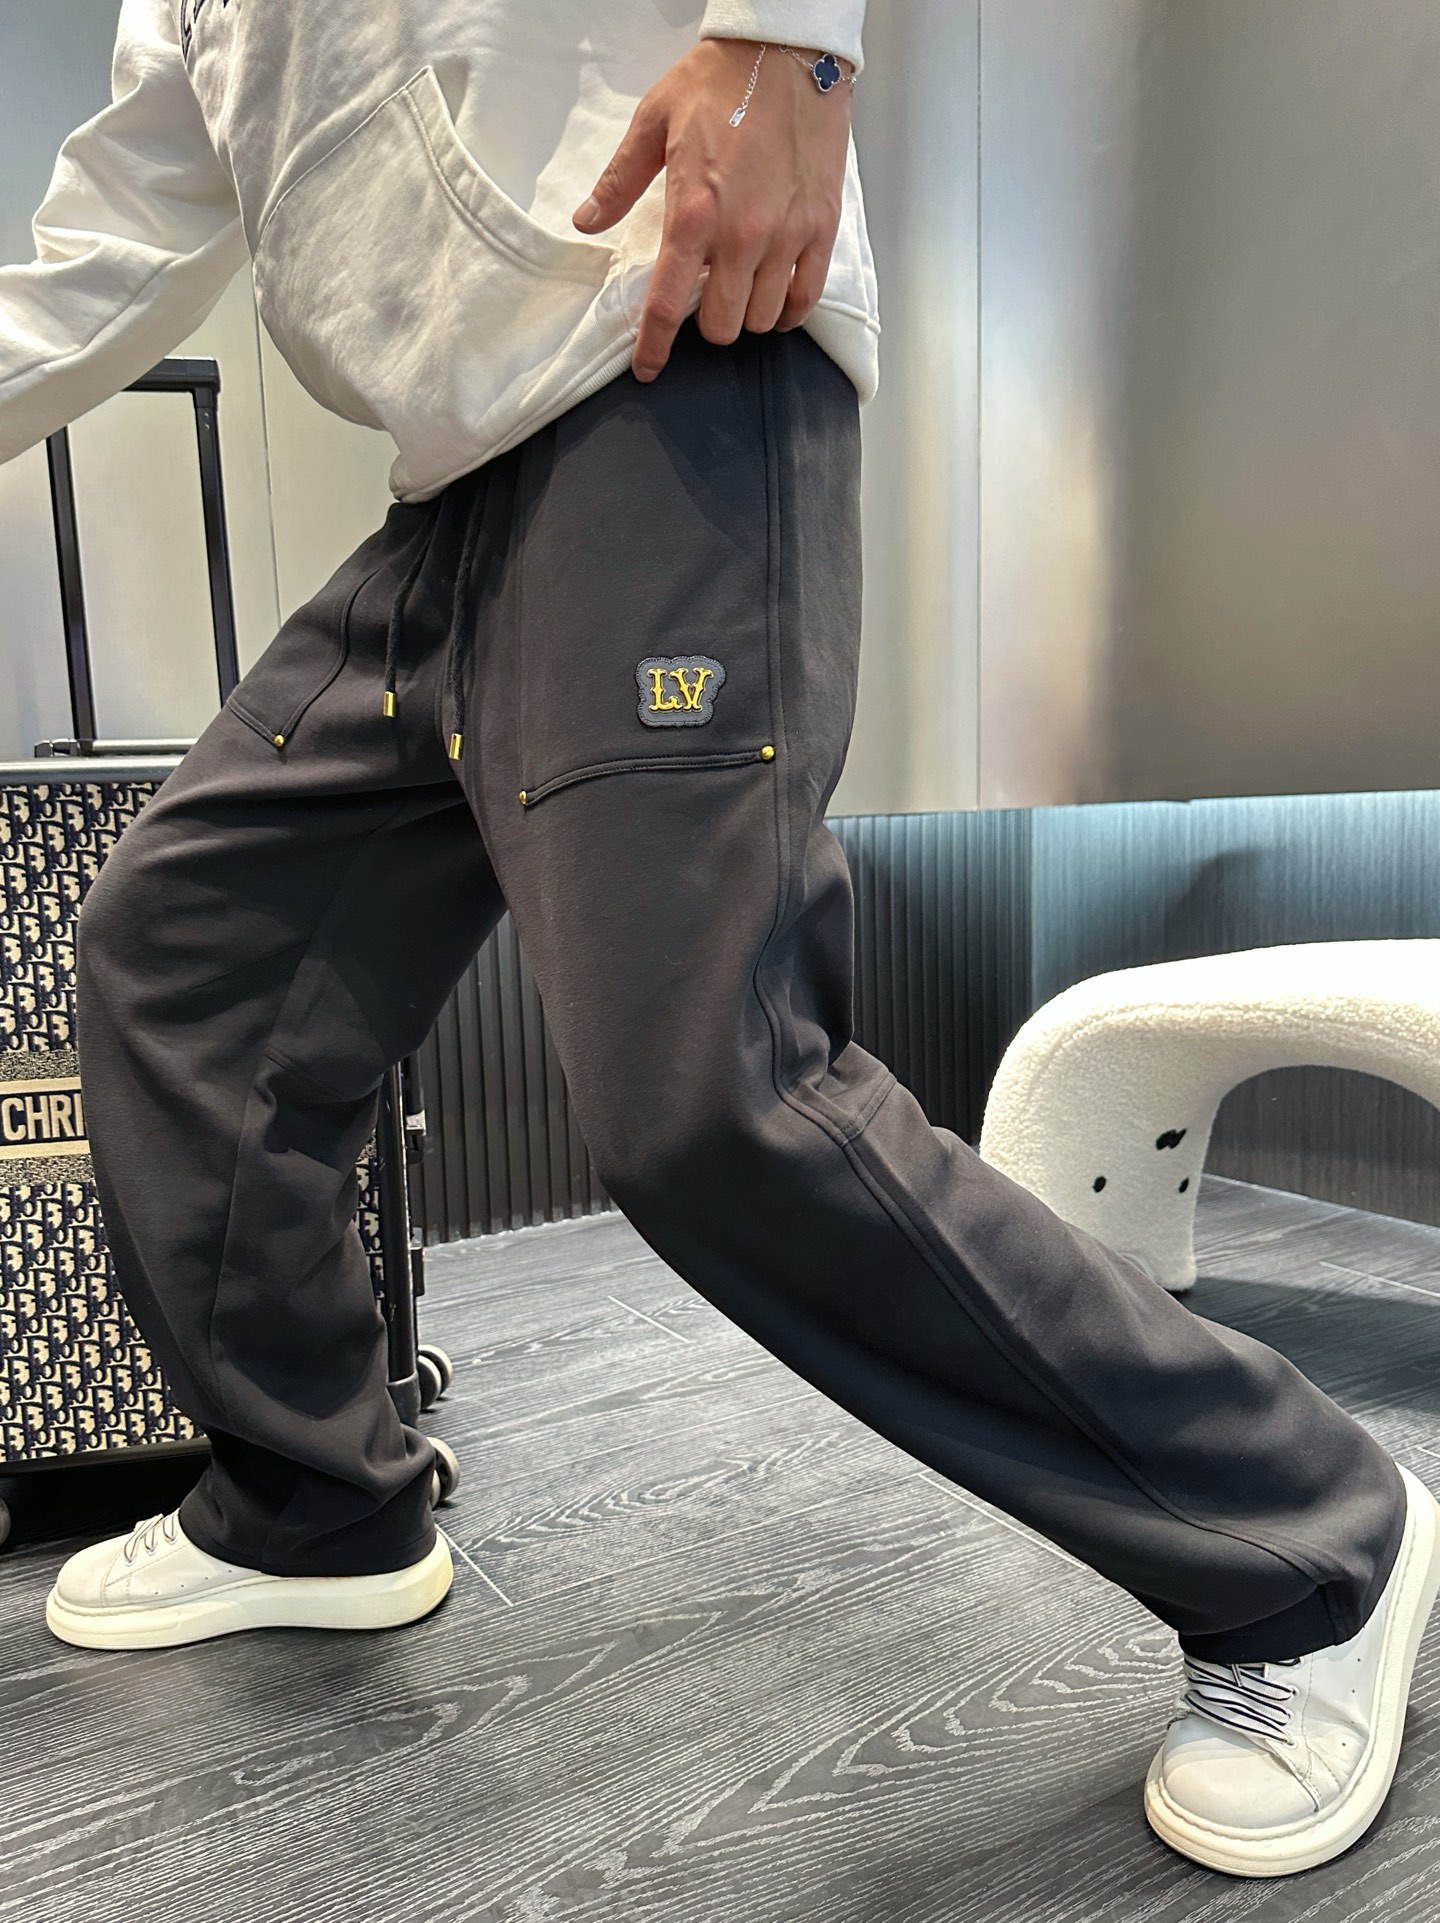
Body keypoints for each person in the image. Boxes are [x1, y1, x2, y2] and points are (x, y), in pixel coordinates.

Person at [1, 0, 1434, 1882]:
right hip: (442, 508)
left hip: (662, 366)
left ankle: (1313, 1542)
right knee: (183, 956)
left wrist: (793, 41)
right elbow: (107, 243)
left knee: (708, 1093)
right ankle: (317, 1506)